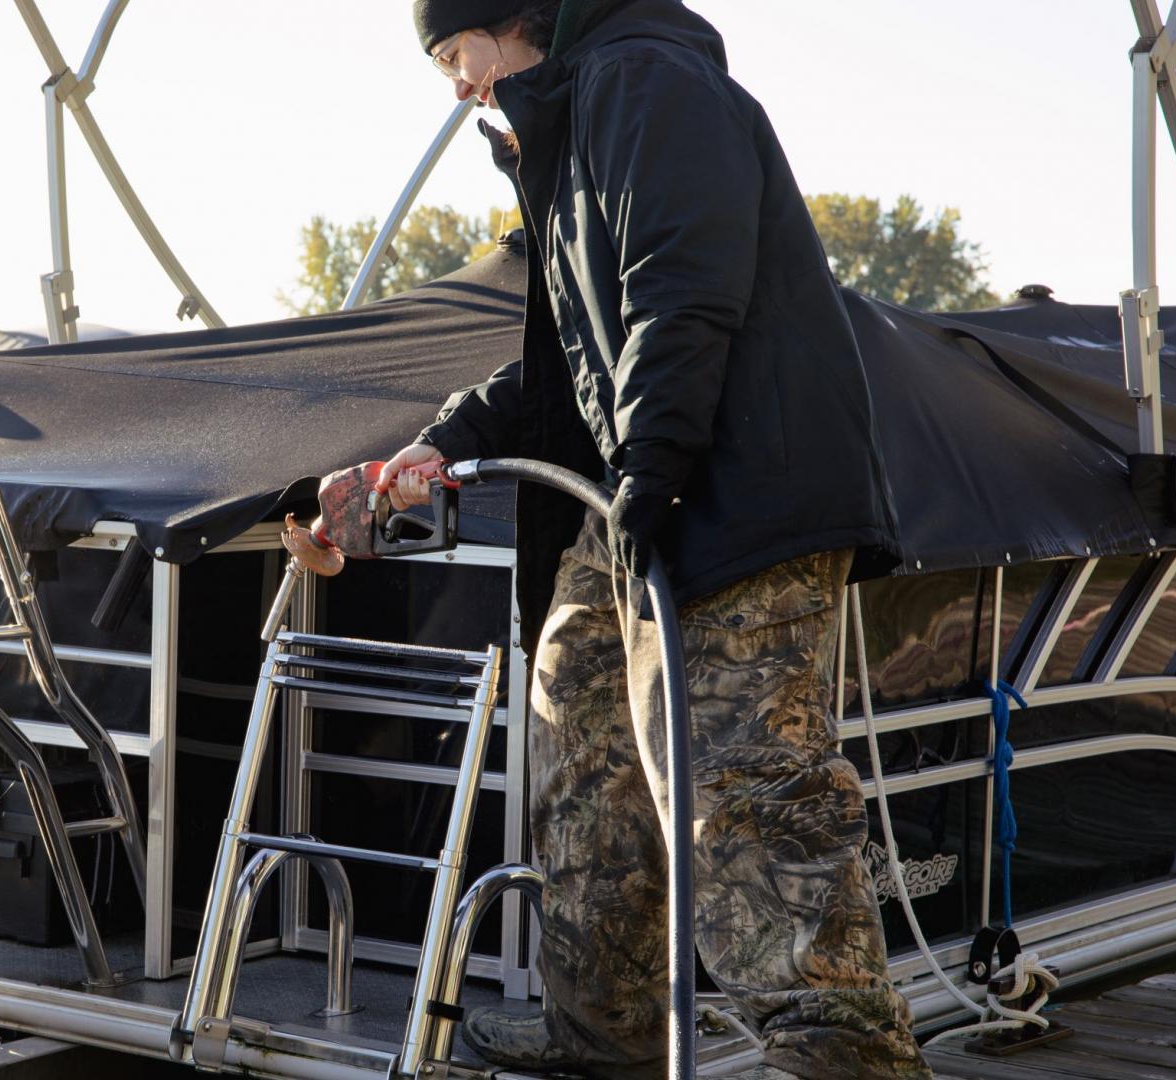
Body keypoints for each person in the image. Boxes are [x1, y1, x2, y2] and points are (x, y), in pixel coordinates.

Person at [378, 2, 931, 1078]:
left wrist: (649, 474)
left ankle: (842, 1059)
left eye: (455, 55)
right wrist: (445, 441)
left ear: (507, 20)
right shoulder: (570, 125)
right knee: (577, 705)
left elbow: (680, 293)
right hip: (639, 490)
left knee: (748, 798)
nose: (456, 84)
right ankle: (604, 1036)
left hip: (733, 497)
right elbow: (570, 353)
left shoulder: (643, 82)